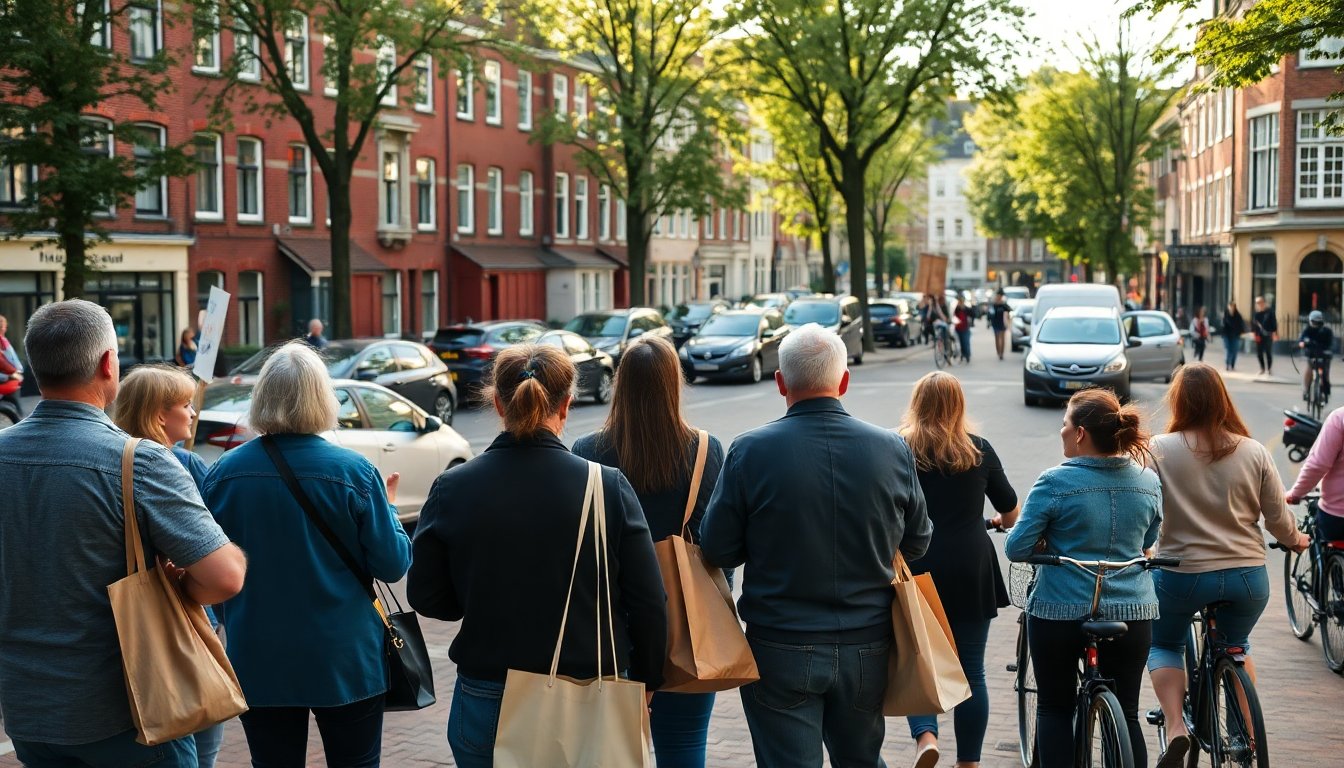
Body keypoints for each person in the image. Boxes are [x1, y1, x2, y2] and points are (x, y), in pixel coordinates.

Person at [0, 299, 246, 767]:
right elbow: (225, 577)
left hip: (29, 708)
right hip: (131, 710)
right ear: (108, 364)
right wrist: (178, 584)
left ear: (34, 363)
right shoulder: (138, 460)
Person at [406, 344, 667, 767]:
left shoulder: (453, 487)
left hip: (489, 692)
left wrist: (475, 594)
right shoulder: (606, 488)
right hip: (591, 692)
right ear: (566, 405)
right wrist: (648, 680)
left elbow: (428, 597)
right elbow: (649, 602)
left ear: (497, 402)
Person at [700, 323, 933, 768]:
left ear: (781, 382)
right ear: (844, 381)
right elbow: (919, 541)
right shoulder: (892, 449)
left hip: (780, 643)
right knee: (861, 759)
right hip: (868, 643)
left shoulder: (749, 450)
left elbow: (718, 549)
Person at [202, 342, 410, 766]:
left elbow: (208, 569)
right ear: (322, 398)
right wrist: (387, 507)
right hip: (345, 657)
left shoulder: (224, 473)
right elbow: (393, 563)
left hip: (259, 654)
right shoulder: (354, 472)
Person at [1146, 363, 1308, 767]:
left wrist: (1143, 549)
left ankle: (1176, 727)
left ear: (1179, 400)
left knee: (1164, 642)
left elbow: (1144, 510)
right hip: (1247, 579)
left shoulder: (1159, 449)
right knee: (1237, 647)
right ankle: (1245, 738)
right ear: (1222, 398)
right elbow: (1277, 517)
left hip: (1182, 576)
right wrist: (1297, 540)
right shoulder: (1252, 450)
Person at [572, 335, 723, 768]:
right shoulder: (707, 451)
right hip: (687, 631)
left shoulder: (587, 453)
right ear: (673, 384)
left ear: (620, 386)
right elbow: (719, 550)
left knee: (613, 752)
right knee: (684, 750)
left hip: (609, 629)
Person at [1005, 388, 1161, 768]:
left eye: (1064, 424)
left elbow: (1016, 547)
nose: (1060, 430)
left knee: (1056, 707)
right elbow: (1148, 540)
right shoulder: (1146, 480)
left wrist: (1047, 541)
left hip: (1060, 610)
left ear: (1080, 434)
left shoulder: (1054, 482)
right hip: (1132, 610)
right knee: (1126, 713)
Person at [899, 371, 1018, 768]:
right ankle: (968, 762)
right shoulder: (978, 450)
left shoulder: (900, 449)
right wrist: (997, 522)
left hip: (918, 565)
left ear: (917, 404)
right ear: (959, 405)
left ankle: (927, 738)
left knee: (920, 663)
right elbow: (1009, 509)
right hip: (971, 565)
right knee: (971, 672)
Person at [112, 364, 227, 768]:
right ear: (160, 414)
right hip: (182, 617)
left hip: (123, 627)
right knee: (202, 729)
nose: (193, 413)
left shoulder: (109, 458)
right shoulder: (184, 465)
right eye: (185, 405)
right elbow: (219, 557)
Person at [1299, 309, 1334, 403]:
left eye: (1317, 322)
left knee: (1325, 374)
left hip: (1324, 355)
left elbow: (1331, 344)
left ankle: (1324, 392)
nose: (1315, 324)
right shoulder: (1308, 329)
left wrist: (1328, 350)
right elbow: (1302, 339)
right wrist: (1302, 343)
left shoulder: (1327, 331)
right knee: (1309, 370)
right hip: (1312, 354)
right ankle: (1306, 390)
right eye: (1313, 322)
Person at [0, 313, 24, 415]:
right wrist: (9, 376)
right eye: (2, 326)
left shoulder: (4, 341)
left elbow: (14, 363)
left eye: (4, 326)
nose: (4, 329)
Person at [1251, 296, 1277, 376]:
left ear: (1263, 302)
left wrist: (1274, 332)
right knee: (1259, 353)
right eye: (1257, 303)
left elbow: (1274, 323)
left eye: (1260, 302)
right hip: (1259, 336)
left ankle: (1269, 369)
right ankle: (1262, 368)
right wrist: (1254, 334)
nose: (1258, 304)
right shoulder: (1256, 314)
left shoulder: (1270, 312)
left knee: (1268, 352)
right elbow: (1254, 325)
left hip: (1268, 335)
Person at [1221, 301, 1246, 371]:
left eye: (1233, 306)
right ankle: (1227, 364)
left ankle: (1232, 365)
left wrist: (1241, 332)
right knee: (1228, 350)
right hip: (1226, 335)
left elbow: (1241, 325)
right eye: (1230, 306)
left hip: (1235, 335)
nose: (1231, 308)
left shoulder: (1238, 315)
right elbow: (1223, 325)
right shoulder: (1225, 315)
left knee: (1234, 350)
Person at [988, 290, 1010, 361]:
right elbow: (989, 314)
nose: (998, 297)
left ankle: (1001, 354)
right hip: (995, 323)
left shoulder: (1004, 304)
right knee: (997, 338)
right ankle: (998, 352)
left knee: (1002, 338)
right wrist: (988, 322)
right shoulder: (993, 305)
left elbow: (1009, 310)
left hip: (1002, 323)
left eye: (1000, 296)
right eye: (997, 296)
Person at [954, 298, 972, 363]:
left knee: (966, 342)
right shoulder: (957, 309)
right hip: (958, 328)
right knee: (961, 342)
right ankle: (963, 355)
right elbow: (954, 316)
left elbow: (972, 315)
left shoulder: (966, 309)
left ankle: (967, 355)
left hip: (965, 328)